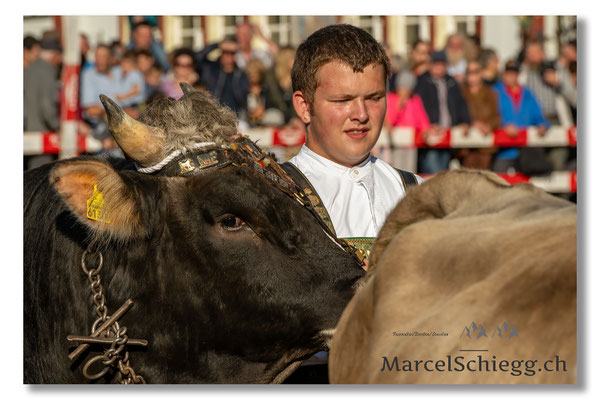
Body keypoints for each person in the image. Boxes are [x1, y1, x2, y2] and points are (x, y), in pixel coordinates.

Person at [285, 23, 422, 383]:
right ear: (304, 106)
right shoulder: (274, 196)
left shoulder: (417, 192)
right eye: (342, 100)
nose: (361, 114)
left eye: (374, 98)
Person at [413, 50, 470, 173]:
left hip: (448, 133)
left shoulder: (451, 82)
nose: (438, 67)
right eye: (436, 63)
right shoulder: (422, 81)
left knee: (443, 170)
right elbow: (417, 107)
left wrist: (465, 122)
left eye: (442, 64)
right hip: (430, 134)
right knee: (432, 170)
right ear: (430, 64)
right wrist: (427, 126)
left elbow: (461, 104)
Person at [492, 60, 550, 173]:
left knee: (527, 184)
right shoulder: (495, 91)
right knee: (499, 181)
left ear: (518, 75)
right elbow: (489, 116)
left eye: (514, 73)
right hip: (503, 150)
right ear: (504, 74)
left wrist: (543, 125)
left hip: (525, 151)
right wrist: (503, 125)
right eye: (508, 73)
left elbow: (538, 116)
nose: (511, 76)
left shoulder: (527, 94)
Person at [23, 37, 62, 169]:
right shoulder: (47, 70)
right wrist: (57, 125)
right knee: (40, 179)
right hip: (43, 133)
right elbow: (46, 105)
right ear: (55, 54)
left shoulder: (28, 69)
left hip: (27, 131)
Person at [459, 59, 500, 170]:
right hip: (466, 147)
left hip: (485, 146)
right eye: (469, 72)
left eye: (475, 71)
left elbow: (497, 118)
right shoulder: (460, 93)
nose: (472, 75)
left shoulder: (491, 94)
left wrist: (488, 126)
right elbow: (456, 115)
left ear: (481, 73)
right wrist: (471, 123)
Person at [196, 36, 249, 123]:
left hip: (237, 119)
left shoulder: (241, 75)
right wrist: (217, 45)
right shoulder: (211, 70)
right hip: (213, 117)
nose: (228, 56)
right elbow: (197, 57)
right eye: (225, 52)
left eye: (231, 53)